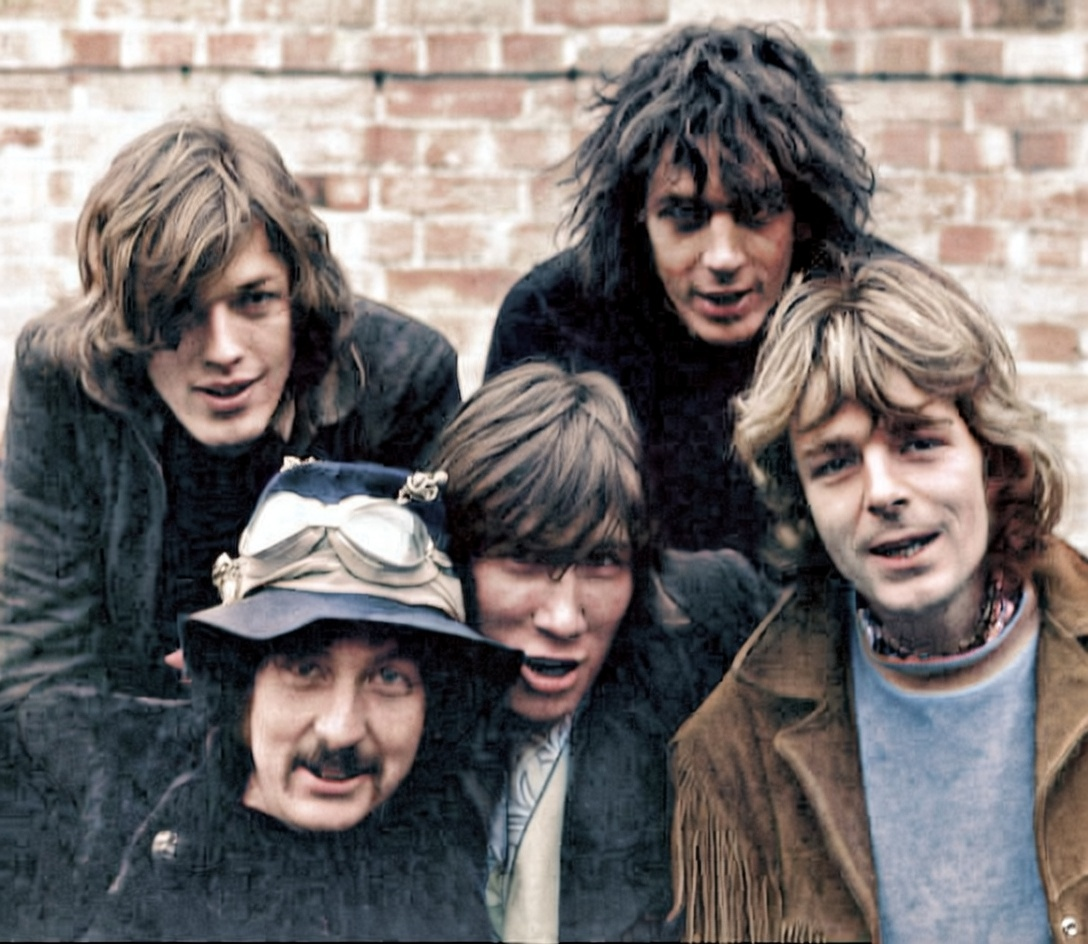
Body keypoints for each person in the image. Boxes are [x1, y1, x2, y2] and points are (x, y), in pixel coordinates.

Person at [0, 110, 460, 939]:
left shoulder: (398, 381)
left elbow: (424, 661)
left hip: (334, 779)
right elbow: (39, 673)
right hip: (118, 786)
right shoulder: (64, 375)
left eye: (253, 301)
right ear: (128, 322)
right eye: (179, 310)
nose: (222, 349)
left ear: (298, 294)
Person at [669, 255, 1085, 943]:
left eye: (918, 442)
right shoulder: (736, 749)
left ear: (992, 457)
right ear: (801, 499)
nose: (883, 492)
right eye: (835, 463)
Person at [485, 21, 895, 559]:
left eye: (756, 213)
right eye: (684, 216)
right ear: (638, 214)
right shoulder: (552, 317)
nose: (722, 258)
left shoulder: (882, 309)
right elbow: (507, 541)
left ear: (803, 214)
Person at [84, 460, 520, 941]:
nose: (341, 730)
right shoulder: (122, 837)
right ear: (242, 692)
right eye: (306, 671)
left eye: (389, 677)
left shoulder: (454, 860)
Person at [432, 361, 777, 942]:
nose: (564, 618)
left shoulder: (706, 637)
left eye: (601, 562)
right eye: (524, 561)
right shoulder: (388, 702)